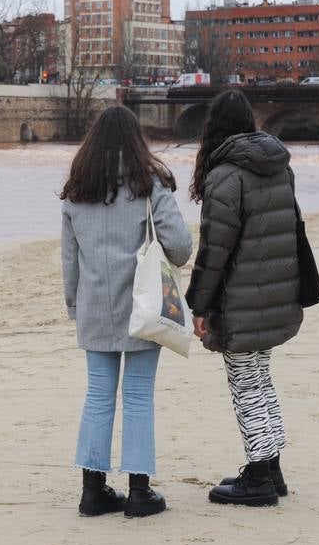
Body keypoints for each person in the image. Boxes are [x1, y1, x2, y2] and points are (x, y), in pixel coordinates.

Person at [61, 105, 192, 518]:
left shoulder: (77, 187)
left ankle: (92, 491)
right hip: (143, 303)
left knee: (98, 395)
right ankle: (139, 491)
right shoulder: (149, 183)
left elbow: (69, 259)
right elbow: (181, 247)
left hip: (94, 304)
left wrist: (74, 305)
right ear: (136, 140)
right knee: (137, 396)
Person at [185, 89, 304, 507]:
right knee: (261, 377)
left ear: (213, 127)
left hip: (239, 298)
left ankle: (257, 477)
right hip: (277, 292)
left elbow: (214, 250)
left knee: (244, 382)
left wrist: (199, 305)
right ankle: (271, 468)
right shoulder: (279, 166)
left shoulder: (225, 176)